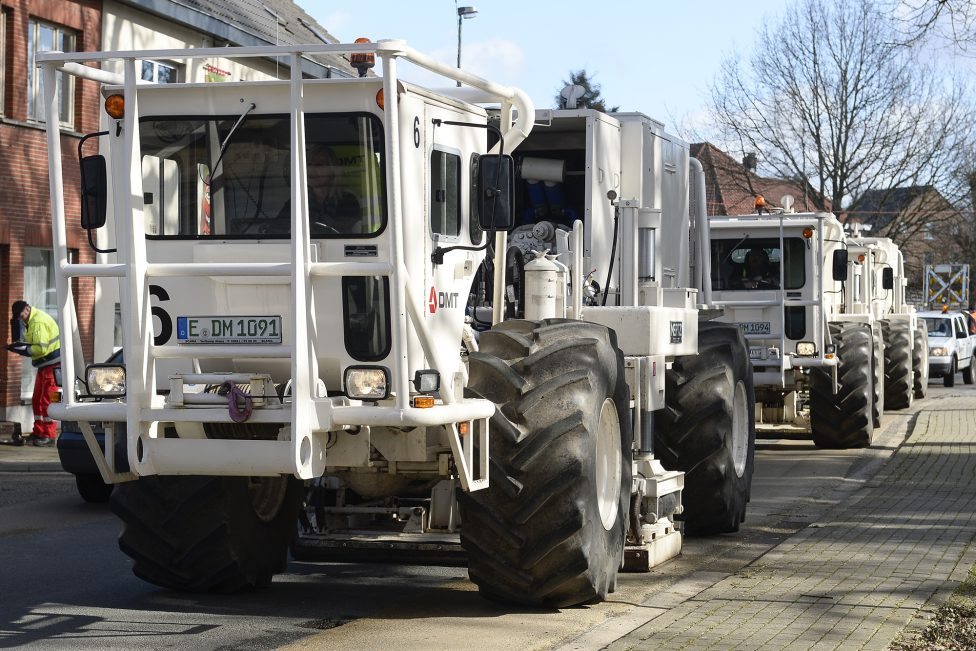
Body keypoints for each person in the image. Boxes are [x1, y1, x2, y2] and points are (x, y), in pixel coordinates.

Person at [6, 301, 61, 446]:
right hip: (45, 365)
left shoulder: (38, 322)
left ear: (27, 309)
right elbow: (32, 343)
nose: (21, 318)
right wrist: (18, 345)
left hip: (52, 364)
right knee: (37, 399)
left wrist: (20, 350)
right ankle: (38, 432)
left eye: (21, 315)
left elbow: (41, 349)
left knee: (47, 401)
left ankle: (49, 435)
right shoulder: (30, 321)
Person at [306, 146, 361, 234]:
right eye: (308, 164)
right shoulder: (297, 201)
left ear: (333, 169)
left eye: (319, 165)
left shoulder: (348, 201)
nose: (311, 170)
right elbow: (279, 227)